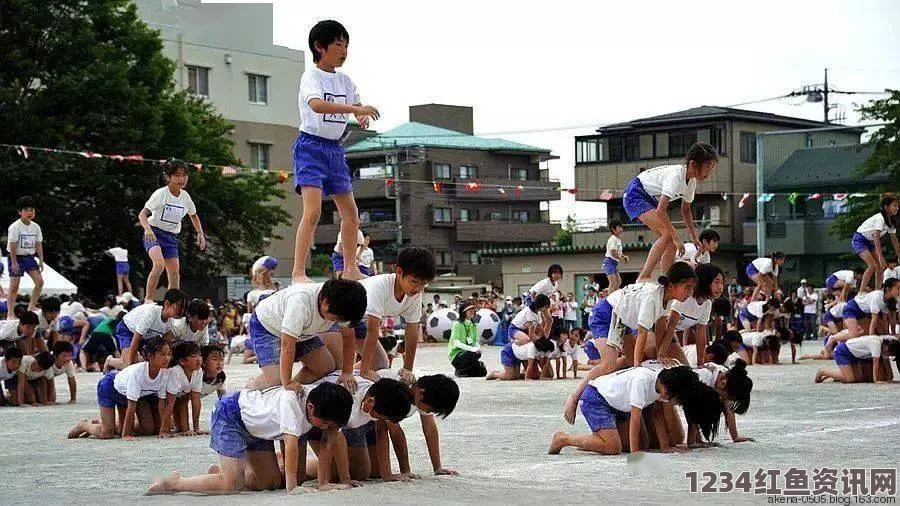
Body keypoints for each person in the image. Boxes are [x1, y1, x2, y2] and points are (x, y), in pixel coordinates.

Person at [290, 20, 380, 284]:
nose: (344, 50)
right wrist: (355, 112)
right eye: (338, 45)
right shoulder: (311, 77)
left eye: (346, 45)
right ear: (320, 47)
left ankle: (350, 267)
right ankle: (298, 272)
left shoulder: (346, 81)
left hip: (334, 149)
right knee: (313, 212)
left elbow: (358, 104)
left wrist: (362, 117)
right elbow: (317, 105)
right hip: (310, 147)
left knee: (351, 214)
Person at [147, 382, 354, 494]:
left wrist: (324, 482)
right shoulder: (292, 403)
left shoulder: (324, 401)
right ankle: (175, 484)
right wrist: (292, 488)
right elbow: (290, 444)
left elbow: (329, 441)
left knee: (270, 482)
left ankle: (223, 471)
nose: (326, 428)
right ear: (310, 407)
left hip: (259, 429)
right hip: (232, 415)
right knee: (232, 486)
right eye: (325, 423)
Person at [564, 263, 697, 424]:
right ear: (671, 285)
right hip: (607, 312)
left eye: (692, 288)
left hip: (623, 318)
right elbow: (642, 333)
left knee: (634, 358)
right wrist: (637, 367)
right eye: (687, 287)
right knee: (609, 364)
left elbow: (662, 326)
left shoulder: (668, 298)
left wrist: (661, 354)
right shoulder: (652, 298)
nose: (690, 293)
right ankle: (575, 397)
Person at [549, 366, 723, 455]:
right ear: (670, 390)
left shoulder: (660, 385)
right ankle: (563, 438)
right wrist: (635, 453)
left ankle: (597, 439)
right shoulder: (643, 380)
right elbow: (635, 417)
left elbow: (657, 415)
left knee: (643, 443)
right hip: (596, 398)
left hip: (617, 406)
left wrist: (666, 446)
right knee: (614, 447)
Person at [246, 279, 366, 390]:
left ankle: (292, 383)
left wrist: (347, 372)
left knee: (325, 366)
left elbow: (348, 337)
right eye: (336, 319)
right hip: (267, 326)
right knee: (276, 381)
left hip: (302, 332)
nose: (338, 322)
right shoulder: (300, 302)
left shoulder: (342, 304)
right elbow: (287, 345)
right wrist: (286, 382)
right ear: (325, 303)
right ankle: (251, 385)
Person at [622, 143, 718, 280]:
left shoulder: (691, 182)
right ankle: (644, 276)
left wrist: (694, 237)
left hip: (650, 198)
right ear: (694, 164)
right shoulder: (676, 176)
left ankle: (667, 280)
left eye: (712, 167)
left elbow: (686, 210)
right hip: (636, 193)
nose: (709, 172)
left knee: (671, 241)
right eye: (708, 166)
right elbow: (661, 210)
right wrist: (676, 237)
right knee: (668, 235)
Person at [356, 247, 435, 382]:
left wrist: (407, 369)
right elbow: (372, 329)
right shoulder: (379, 287)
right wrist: (364, 370)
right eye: (414, 282)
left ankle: (346, 373)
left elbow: (412, 330)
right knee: (330, 366)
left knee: (381, 364)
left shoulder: (415, 294)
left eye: (424, 284)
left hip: (358, 324)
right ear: (399, 272)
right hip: (336, 320)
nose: (418, 289)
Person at [69, 337, 172, 440]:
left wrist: (164, 430)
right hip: (110, 386)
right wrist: (126, 434)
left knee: (145, 430)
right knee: (107, 434)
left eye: (168, 354)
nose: (167, 358)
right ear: (150, 356)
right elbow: (131, 406)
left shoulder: (165, 373)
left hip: (126, 394)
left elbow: (162, 405)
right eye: (163, 354)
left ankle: (101, 425)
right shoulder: (138, 373)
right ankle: (85, 425)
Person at [139, 159, 206, 302]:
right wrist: (148, 229)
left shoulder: (185, 197)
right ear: (167, 177)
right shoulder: (161, 194)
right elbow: (142, 214)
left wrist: (200, 233)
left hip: (171, 237)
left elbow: (193, 215)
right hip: (154, 233)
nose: (181, 179)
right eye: (176, 175)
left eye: (184, 175)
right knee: (159, 264)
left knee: (175, 273)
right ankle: (148, 299)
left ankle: (171, 302)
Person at [107, 289, 186, 369]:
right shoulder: (151, 314)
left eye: (183, 308)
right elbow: (136, 340)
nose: (182, 311)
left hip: (145, 336)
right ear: (167, 304)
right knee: (130, 365)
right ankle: (109, 361)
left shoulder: (170, 322)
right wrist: (130, 367)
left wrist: (170, 360)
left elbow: (167, 343)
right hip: (128, 329)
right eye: (179, 306)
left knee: (152, 361)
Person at [670, 263, 725, 367]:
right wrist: (665, 353)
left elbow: (701, 334)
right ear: (704, 281)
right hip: (656, 330)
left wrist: (701, 363)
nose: (720, 287)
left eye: (722, 283)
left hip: (672, 333)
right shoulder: (685, 297)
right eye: (716, 282)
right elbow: (669, 327)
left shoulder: (707, 303)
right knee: (685, 367)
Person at [6, 196, 44, 318]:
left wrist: (41, 260)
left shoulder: (36, 227)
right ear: (20, 212)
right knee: (14, 286)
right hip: (16, 257)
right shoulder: (15, 226)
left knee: (40, 282)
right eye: (26, 210)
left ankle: (31, 306)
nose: (30, 213)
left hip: (29, 257)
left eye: (32, 210)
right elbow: (12, 245)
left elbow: (38, 244)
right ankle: (10, 313)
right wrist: (14, 262)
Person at [853, 194, 899, 293]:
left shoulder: (891, 222)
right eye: (894, 205)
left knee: (880, 267)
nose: (897, 208)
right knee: (873, 265)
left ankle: (878, 290)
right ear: (886, 207)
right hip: (860, 239)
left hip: (870, 241)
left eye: (897, 206)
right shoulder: (881, 218)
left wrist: (899, 255)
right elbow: (876, 238)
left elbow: (894, 240)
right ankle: (861, 291)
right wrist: (881, 257)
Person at [160, 342, 205, 437]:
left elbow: (195, 401)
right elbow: (168, 403)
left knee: (180, 429)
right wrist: (163, 430)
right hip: (156, 400)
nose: (199, 359)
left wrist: (193, 429)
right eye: (193, 356)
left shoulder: (198, 371)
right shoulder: (176, 372)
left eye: (200, 355)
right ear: (182, 361)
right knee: (150, 428)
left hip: (175, 400)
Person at [816, 335, 899, 384]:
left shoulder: (886, 342)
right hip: (843, 351)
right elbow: (875, 363)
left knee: (857, 378)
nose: (888, 356)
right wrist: (876, 381)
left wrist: (889, 378)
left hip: (854, 354)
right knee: (849, 379)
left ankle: (834, 374)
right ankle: (823, 371)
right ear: (887, 348)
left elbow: (887, 363)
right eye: (890, 354)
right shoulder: (876, 344)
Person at [448, 304, 486, 377]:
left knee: (482, 371)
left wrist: (477, 348)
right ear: (463, 312)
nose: (472, 311)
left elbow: (475, 342)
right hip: (456, 355)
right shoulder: (457, 324)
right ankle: (459, 370)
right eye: (469, 310)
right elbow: (456, 343)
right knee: (471, 354)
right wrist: (472, 349)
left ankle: (464, 370)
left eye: (473, 309)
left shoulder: (473, 325)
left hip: (468, 353)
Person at [603, 220, 628, 292]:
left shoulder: (618, 239)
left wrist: (623, 256)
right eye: (619, 227)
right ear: (613, 229)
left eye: (621, 227)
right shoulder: (613, 239)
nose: (621, 229)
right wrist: (621, 259)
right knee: (613, 283)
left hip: (614, 263)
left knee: (618, 282)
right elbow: (613, 252)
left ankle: (614, 295)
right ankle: (609, 299)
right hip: (609, 262)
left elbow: (618, 252)